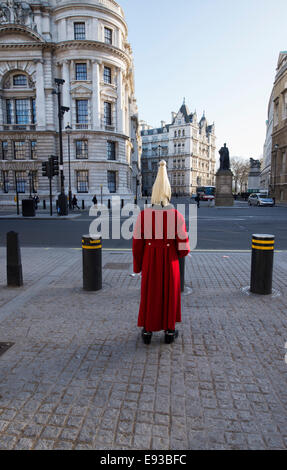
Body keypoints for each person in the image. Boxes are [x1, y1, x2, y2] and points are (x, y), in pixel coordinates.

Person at [133, 160, 190, 345]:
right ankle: (169, 331)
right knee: (170, 294)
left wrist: (138, 265)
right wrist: (179, 253)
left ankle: (148, 331)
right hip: (170, 259)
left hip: (150, 258)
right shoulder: (177, 215)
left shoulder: (143, 215)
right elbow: (183, 245)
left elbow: (137, 244)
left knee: (150, 294)